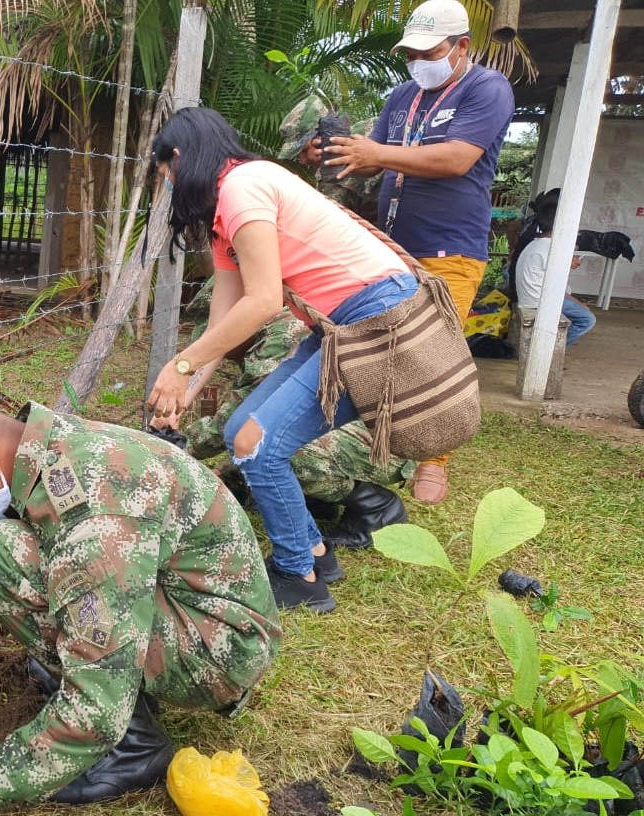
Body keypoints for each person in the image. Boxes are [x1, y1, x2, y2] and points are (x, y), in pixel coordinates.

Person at [0, 388, 280, 816]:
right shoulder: (37, 447)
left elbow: (97, 708)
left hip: (218, 649)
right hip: (177, 601)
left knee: (2, 549)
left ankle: (135, 746)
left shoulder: (91, 508)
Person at [146, 105, 420, 613]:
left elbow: (265, 301)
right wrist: (185, 388)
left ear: (178, 158)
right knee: (241, 431)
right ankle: (315, 550)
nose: (168, 187)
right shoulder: (227, 211)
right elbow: (222, 324)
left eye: (164, 176)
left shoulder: (242, 188)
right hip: (337, 324)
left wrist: (180, 366)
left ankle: (300, 575)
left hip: (375, 318)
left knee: (257, 444)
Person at [322, 0, 515, 505]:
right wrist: (348, 156)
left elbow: (456, 159)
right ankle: (382, 441)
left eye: (427, 52)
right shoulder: (403, 95)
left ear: (461, 47)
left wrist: (377, 154)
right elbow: (377, 160)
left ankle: (435, 460)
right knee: (381, 346)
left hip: (450, 246)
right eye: (410, 53)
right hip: (391, 246)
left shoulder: (486, 88)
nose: (416, 61)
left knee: (436, 355)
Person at [181, 292, 414, 551]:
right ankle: (318, 501)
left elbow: (246, 419)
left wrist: (174, 451)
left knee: (272, 448)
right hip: (357, 426)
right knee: (264, 441)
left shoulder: (282, 336)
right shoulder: (278, 323)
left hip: (387, 442)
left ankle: (377, 507)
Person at [278, 96, 381, 223]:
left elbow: (325, 224)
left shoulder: (332, 173)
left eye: (304, 151)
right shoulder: (374, 128)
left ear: (320, 138)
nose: (302, 161)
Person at [512, 191, 595, 346]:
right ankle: (549, 349)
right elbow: (556, 292)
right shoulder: (552, 251)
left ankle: (548, 346)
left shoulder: (536, 243)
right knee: (587, 319)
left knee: (574, 302)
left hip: (531, 298)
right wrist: (579, 303)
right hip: (539, 301)